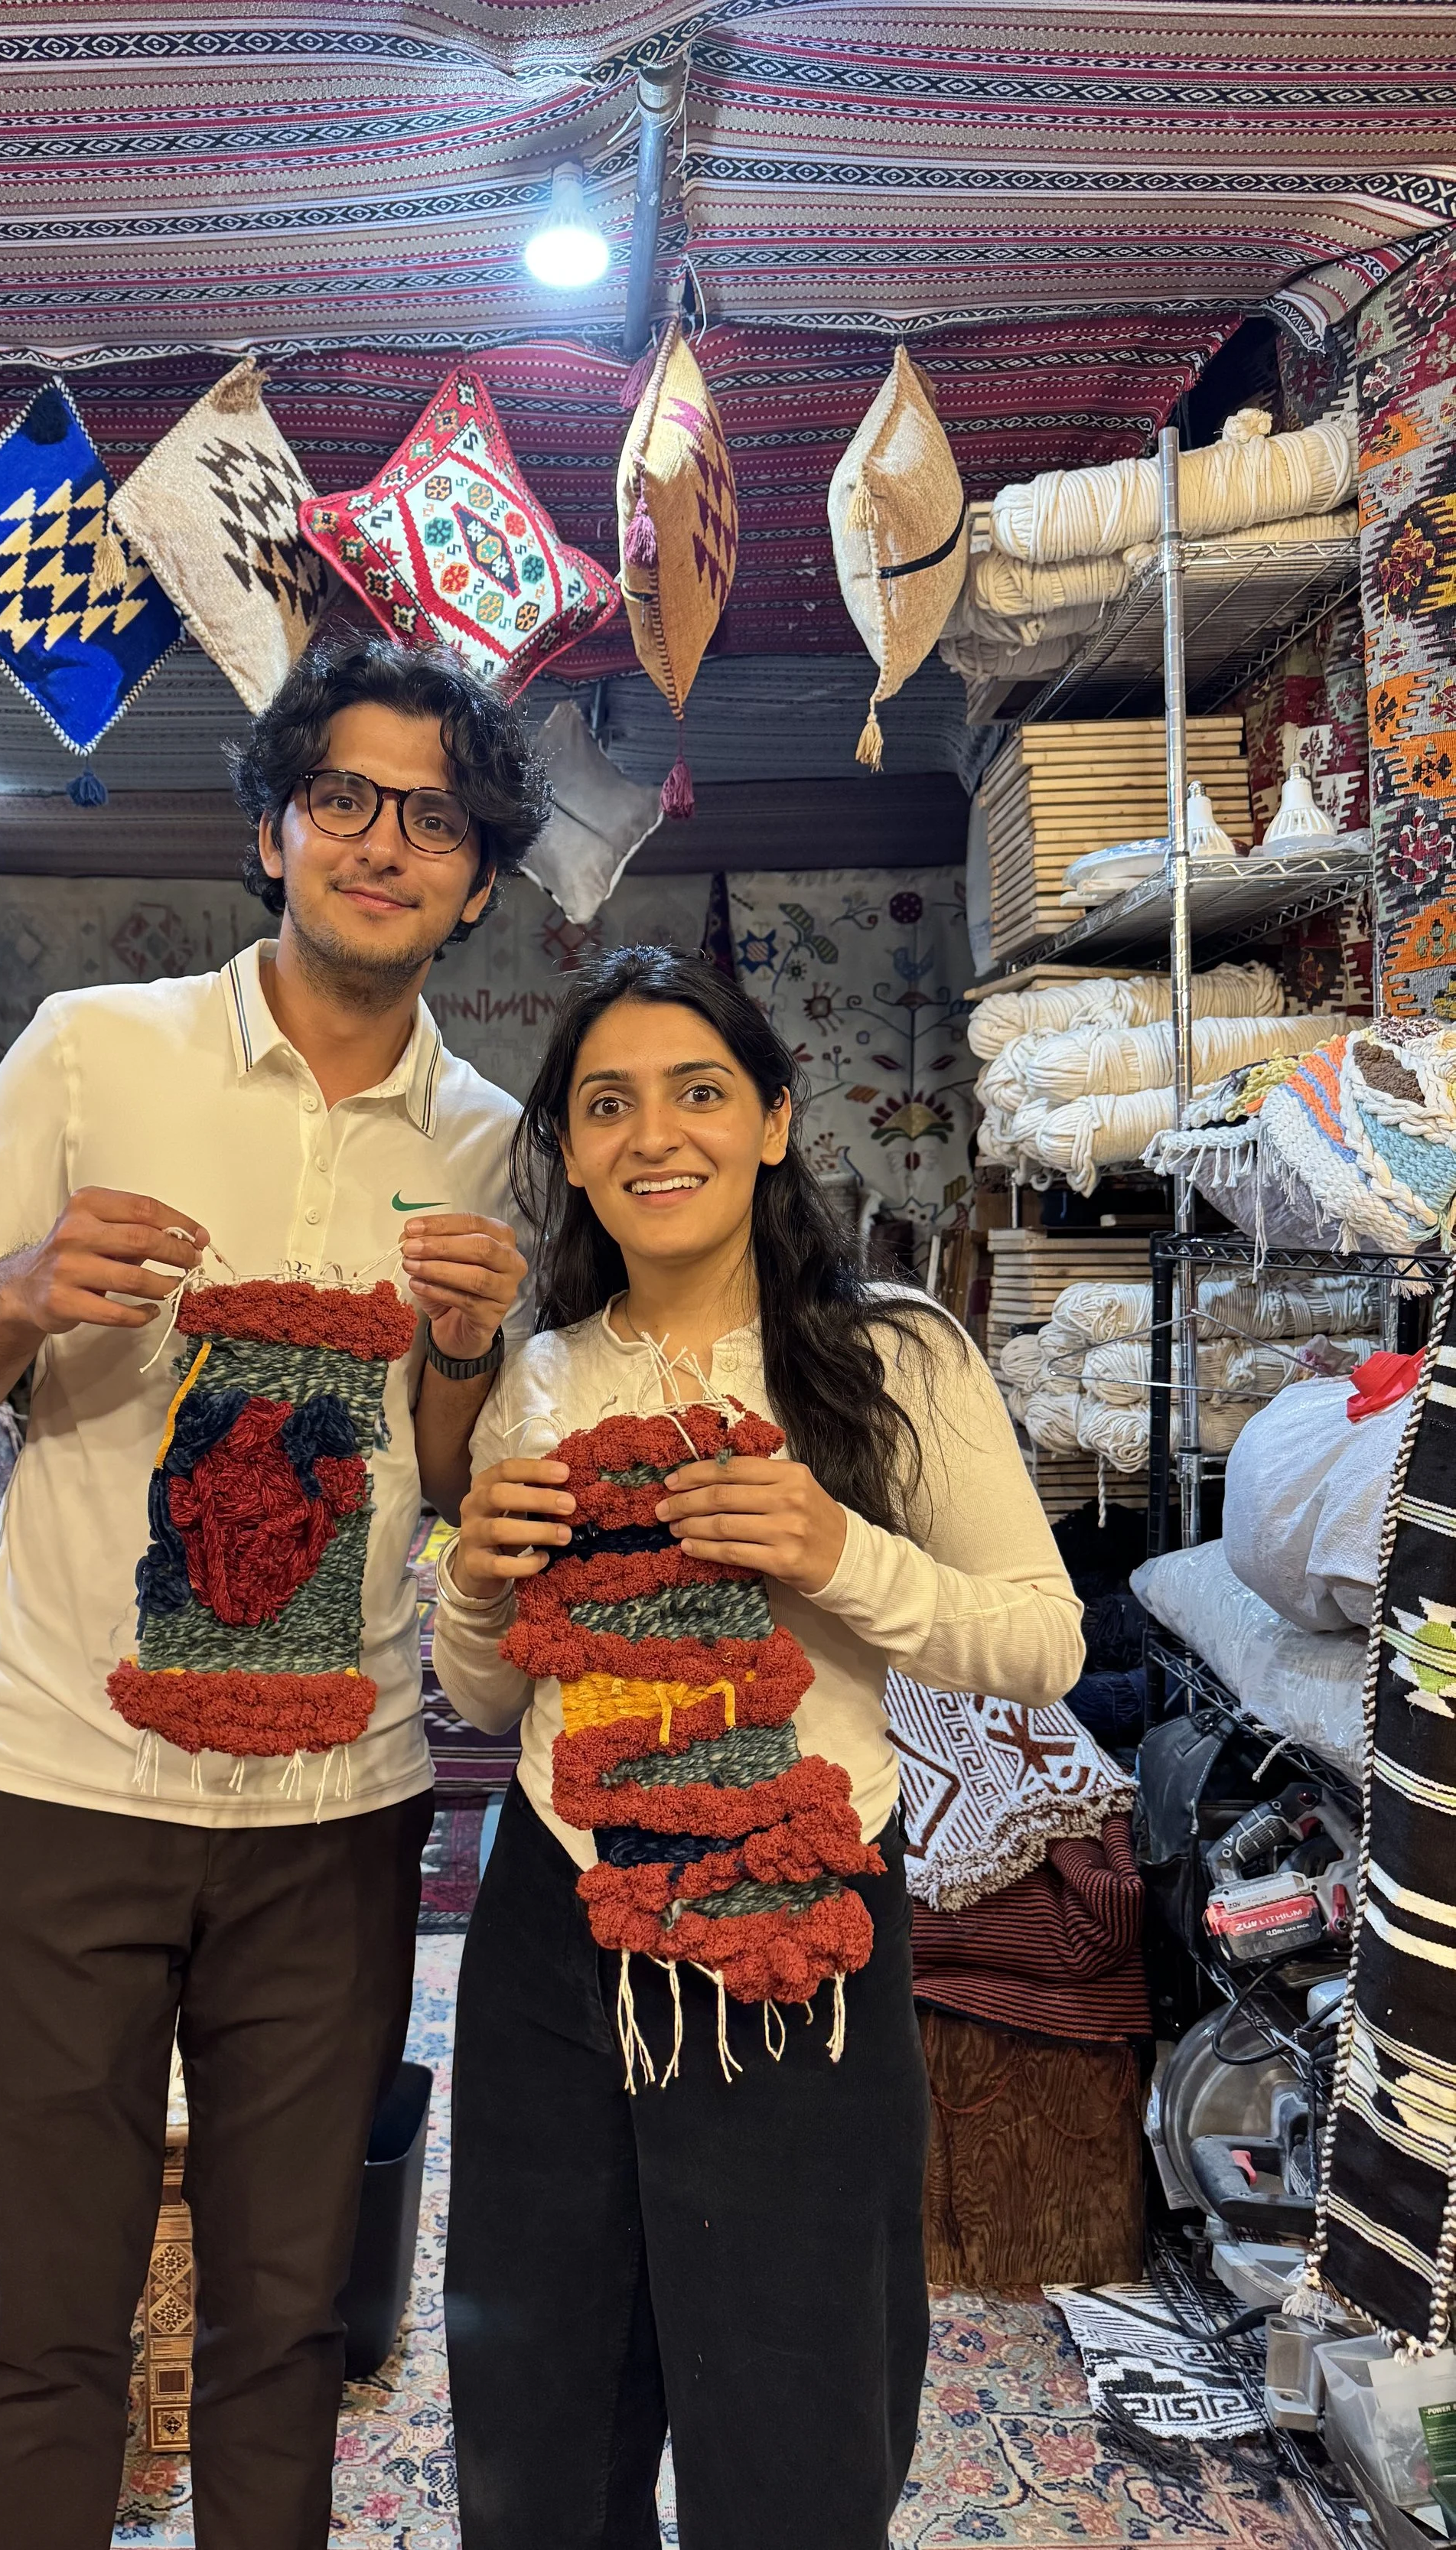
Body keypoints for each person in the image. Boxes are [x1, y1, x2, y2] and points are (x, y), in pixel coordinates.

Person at [0, 636, 549, 2550]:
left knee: (286, 2325)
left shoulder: (492, 1142)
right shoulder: (96, 1051)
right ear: (273, 828)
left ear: (478, 875)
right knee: (50, 2328)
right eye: (344, 796)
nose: (384, 843)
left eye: (433, 817)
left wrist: (464, 1359)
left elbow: (434, 1486)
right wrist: (8, 1296)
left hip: (329, 1817)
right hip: (60, 1787)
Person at [429, 946, 1085, 2550]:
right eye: (607, 1104)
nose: (657, 1134)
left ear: (775, 1119)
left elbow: (1041, 1640)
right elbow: (490, 1700)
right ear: (571, 1154)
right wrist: (467, 1582)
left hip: (798, 1936)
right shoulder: (537, 1380)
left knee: (794, 2404)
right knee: (540, 2408)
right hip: (552, 1929)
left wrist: (831, 1548)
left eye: (698, 1090)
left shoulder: (894, 1356)